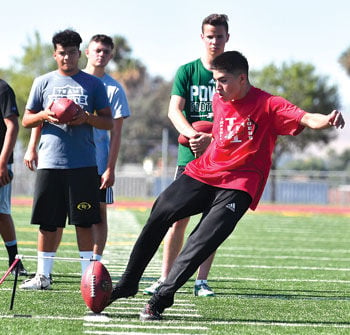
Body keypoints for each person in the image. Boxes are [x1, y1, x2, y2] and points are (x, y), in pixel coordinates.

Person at [106, 50, 345, 321]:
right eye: (215, 80)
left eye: (222, 80)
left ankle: (161, 299)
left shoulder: (269, 103)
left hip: (239, 183)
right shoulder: (220, 99)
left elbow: (306, 117)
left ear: (242, 79)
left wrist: (326, 119)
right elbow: (225, 133)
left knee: (201, 239)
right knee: (162, 209)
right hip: (204, 172)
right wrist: (205, 137)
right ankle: (128, 283)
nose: (216, 87)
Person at [143, 13, 230, 298]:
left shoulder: (233, 73)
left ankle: (201, 281)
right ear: (201, 37)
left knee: (211, 222)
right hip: (189, 157)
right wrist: (193, 135)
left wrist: (214, 139)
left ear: (227, 38)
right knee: (176, 218)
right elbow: (173, 110)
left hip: (220, 157)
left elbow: (237, 115)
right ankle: (164, 277)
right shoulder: (187, 71)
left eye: (219, 35)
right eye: (209, 35)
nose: (214, 41)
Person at [24, 34, 131, 263]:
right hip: (50, 161)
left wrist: (85, 118)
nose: (67, 57)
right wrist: (44, 116)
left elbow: (108, 123)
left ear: (79, 54)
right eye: (62, 52)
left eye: (72, 52)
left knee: (84, 220)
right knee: (48, 221)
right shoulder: (42, 82)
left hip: (84, 162)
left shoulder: (95, 84)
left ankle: (89, 271)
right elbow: (27, 120)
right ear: (55, 54)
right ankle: (43, 274)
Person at [0, 79, 27, 276]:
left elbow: (13, 126)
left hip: (0, 160)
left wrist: (2, 163)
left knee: (1, 212)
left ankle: (14, 261)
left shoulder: (2, 88)